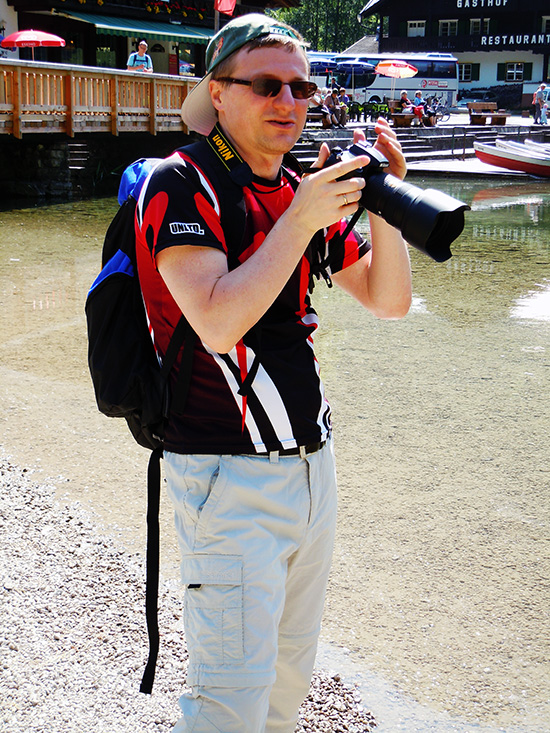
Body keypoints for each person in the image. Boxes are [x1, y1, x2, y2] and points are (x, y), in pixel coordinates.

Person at [135, 13, 411, 733]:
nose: (288, 101)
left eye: (301, 87)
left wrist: (385, 203)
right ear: (218, 94)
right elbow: (218, 321)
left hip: (312, 473)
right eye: (265, 84)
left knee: (287, 687)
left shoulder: (298, 189)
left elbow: (389, 301)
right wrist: (303, 216)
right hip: (227, 479)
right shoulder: (179, 183)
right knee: (229, 703)